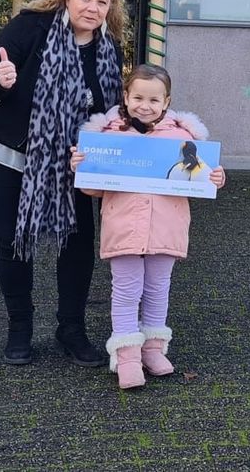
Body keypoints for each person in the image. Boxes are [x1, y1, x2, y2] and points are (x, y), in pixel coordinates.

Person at [0, 0, 127, 368]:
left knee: (77, 245)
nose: (93, 8)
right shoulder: (29, 28)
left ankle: (71, 329)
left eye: (102, 2)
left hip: (73, 164)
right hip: (8, 154)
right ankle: (19, 328)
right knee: (14, 243)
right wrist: (2, 79)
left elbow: (113, 111)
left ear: (110, 8)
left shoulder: (109, 48)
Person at [70, 64, 226, 390]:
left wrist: (215, 178)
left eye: (154, 100)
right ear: (125, 97)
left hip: (166, 229)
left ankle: (153, 348)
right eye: (138, 97)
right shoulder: (108, 136)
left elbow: (196, 179)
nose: (145, 105)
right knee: (126, 290)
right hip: (124, 227)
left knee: (157, 289)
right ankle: (127, 356)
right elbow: (94, 188)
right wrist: (82, 168)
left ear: (166, 102)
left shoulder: (184, 139)